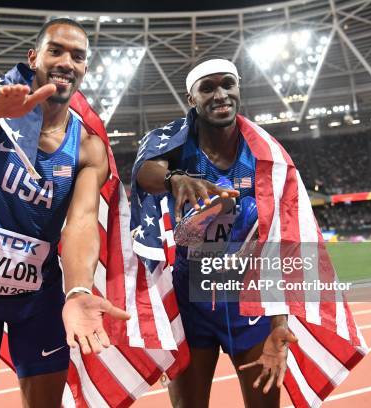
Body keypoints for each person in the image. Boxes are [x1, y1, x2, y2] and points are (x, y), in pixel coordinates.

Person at [0, 18, 129, 408]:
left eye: (78, 56)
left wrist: (79, 290)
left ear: (85, 68)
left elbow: (83, 222)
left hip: (39, 301)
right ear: (34, 57)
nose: (67, 61)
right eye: (56, 50)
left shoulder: (87, 148)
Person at [132, 57, 298, 407]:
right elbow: (145, 171)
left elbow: (280, 238)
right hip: (190, 301)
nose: (220, 94)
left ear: (238, 89)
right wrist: (174, 179)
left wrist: (279, 321)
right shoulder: (177, 145)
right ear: (191, 99)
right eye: (207, 88)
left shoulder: (263, 153)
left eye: (227, 84)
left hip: (248, 301)